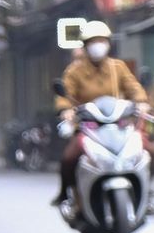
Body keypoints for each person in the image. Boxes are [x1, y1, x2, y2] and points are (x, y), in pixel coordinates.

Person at [53, 21, 144, 205]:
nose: (98, 45)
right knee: (69, 158)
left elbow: (134, 88)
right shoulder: (74, 72)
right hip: (88, 128)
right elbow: (64, 96)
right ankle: (68, 194)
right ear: (85, 46)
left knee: (146, 151)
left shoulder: (117, 67)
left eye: (101, 40)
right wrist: (66, 110)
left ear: (108, 44)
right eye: (93, 41)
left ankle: (144, 193)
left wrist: (141, 102)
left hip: (117, 126)